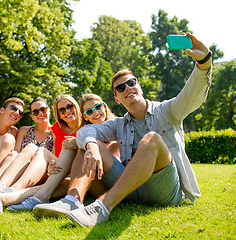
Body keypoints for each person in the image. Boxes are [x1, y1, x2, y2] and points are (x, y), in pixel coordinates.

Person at [34, 33, 212, 226]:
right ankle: (72, 201)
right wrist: (92, 147)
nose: (127, 88)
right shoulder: (119, 124)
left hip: (165, 190)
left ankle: (102, 207)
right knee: (87, 142)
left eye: (131, 82)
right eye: (120, 87)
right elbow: (85, 132)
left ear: (140, 87)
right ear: (117, 98)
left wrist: (203, 62)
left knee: (151, 139)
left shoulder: (167, 111)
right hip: (132, 190)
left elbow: (192, 95)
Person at [0, 94, 119, 213]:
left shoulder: (98, 129)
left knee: (61, 159)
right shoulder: (59, 128)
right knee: (35, 149)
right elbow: (57, 155)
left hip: (86, 177)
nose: (67, 111)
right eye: (62, 110)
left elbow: (107, 161)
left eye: (70, 106)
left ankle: (8, 196)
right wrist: (52, 165)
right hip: (65, 172)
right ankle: (4, 190)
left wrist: (76, 144)